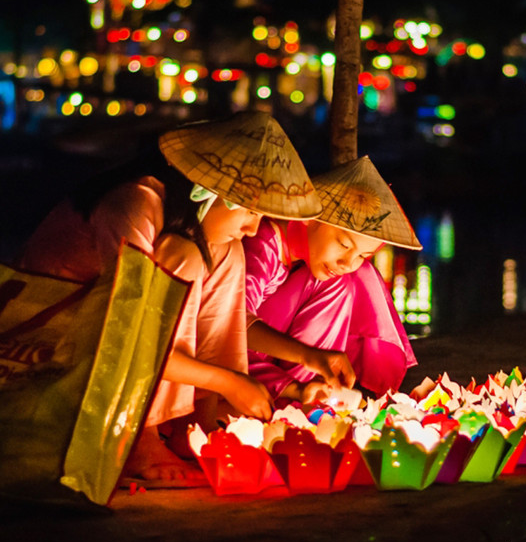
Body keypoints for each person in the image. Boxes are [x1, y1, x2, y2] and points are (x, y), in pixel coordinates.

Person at [18, 110, 323, 481]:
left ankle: (194, 426)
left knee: (226, 253)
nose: (251, 228)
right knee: (188, 257)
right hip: (49, 339)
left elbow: (218, 321)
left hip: (107, 337)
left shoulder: (202, 231)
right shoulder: (134, 204)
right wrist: (230, 382)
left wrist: (305, 356)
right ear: (206, 192)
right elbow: (129, 333)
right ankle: (137, 437)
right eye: (250, 211)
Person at [243, 155, 422, 405]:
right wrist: (310, 356)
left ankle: (312, 391)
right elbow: (234, 322)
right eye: (343, 244)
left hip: (263, 357)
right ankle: (301, 394)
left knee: (349, 277)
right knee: (335, 280)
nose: (348, 262)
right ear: (310, 216)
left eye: (363, 255)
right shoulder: (262, 242)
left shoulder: (306, 260)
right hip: (234, 355)